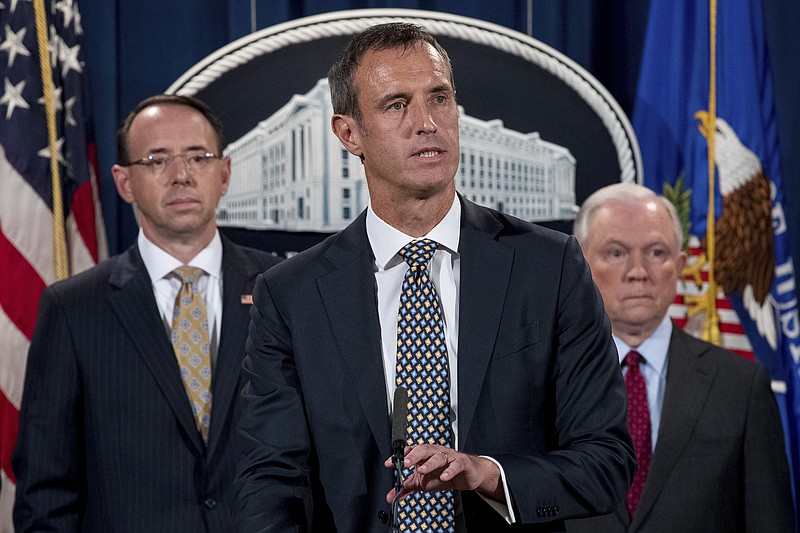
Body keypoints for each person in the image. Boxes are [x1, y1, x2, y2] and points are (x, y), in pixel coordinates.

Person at [234, 22, 635, 532]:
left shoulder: (550, 267)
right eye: (397, 104)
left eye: (440, 98)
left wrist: (487, 473)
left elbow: (606, 461)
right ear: (348, 133)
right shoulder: (290, 294)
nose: (427, 123)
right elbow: (269, 479)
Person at [12, 94, 281, 532]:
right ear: (124, 182)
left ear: (225, 173)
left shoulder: (283, 291)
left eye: (199, 157)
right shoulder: (72, 309)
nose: (181, 176)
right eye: (157, 160)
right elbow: (46, 492)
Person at [566, 183, 794, 533]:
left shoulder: (741, 387)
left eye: (656, 252)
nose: (638, 271)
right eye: (616, 253)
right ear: (580, 263)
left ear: (682, 265)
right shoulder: (549, 380)